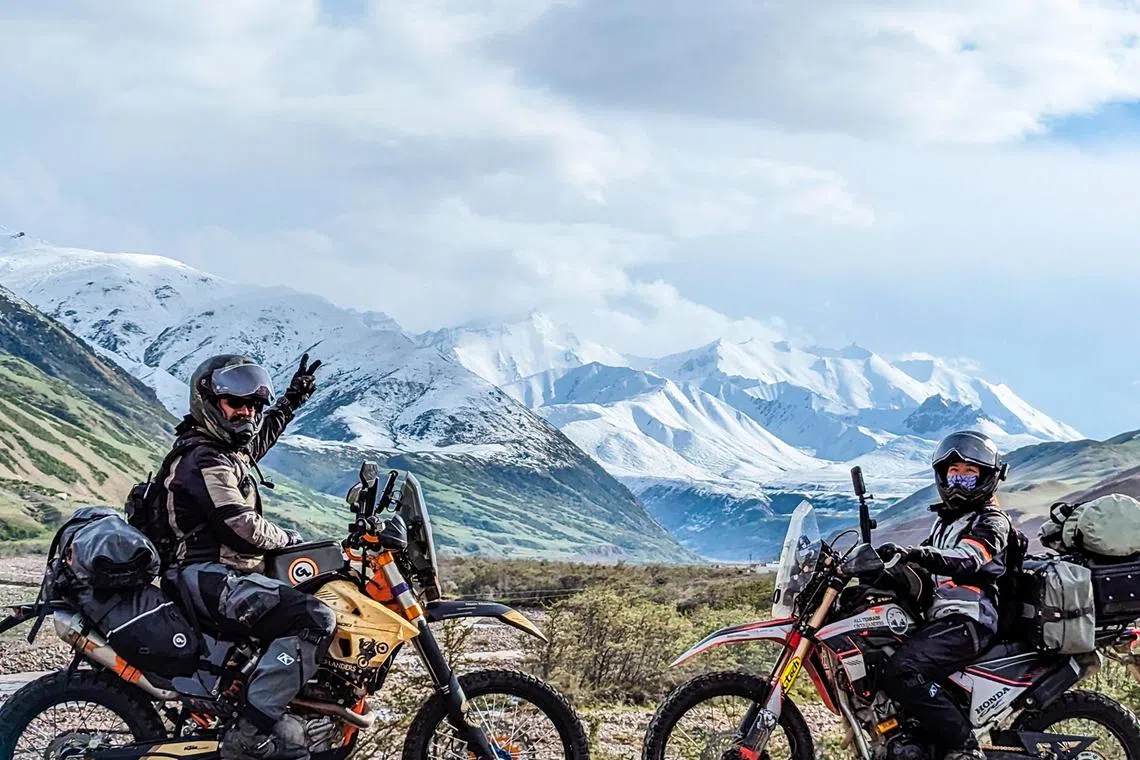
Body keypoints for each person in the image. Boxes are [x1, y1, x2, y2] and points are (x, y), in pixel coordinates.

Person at [159, 353, 335, 760]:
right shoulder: (204, 459)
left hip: (220, 576)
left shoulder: (226, 452)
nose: (247, 413)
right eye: (235, 403)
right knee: (315, 618)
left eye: (254, 405)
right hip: (207, 576)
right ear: (208, 402)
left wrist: (291, 400)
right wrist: (290, 539)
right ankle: (252, 733)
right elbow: (240, 524)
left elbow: (260, 438)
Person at [879, 430, 1013, 760]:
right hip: (943, 619)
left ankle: (964, 748)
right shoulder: (946, 522)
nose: (958, 482)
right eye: (954, 473)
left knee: (903, 670)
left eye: (969, 474)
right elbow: (922, 570)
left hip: (970, 622)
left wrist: (917, 553)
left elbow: (966, 559)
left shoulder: (992, 521)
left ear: (987, 477)